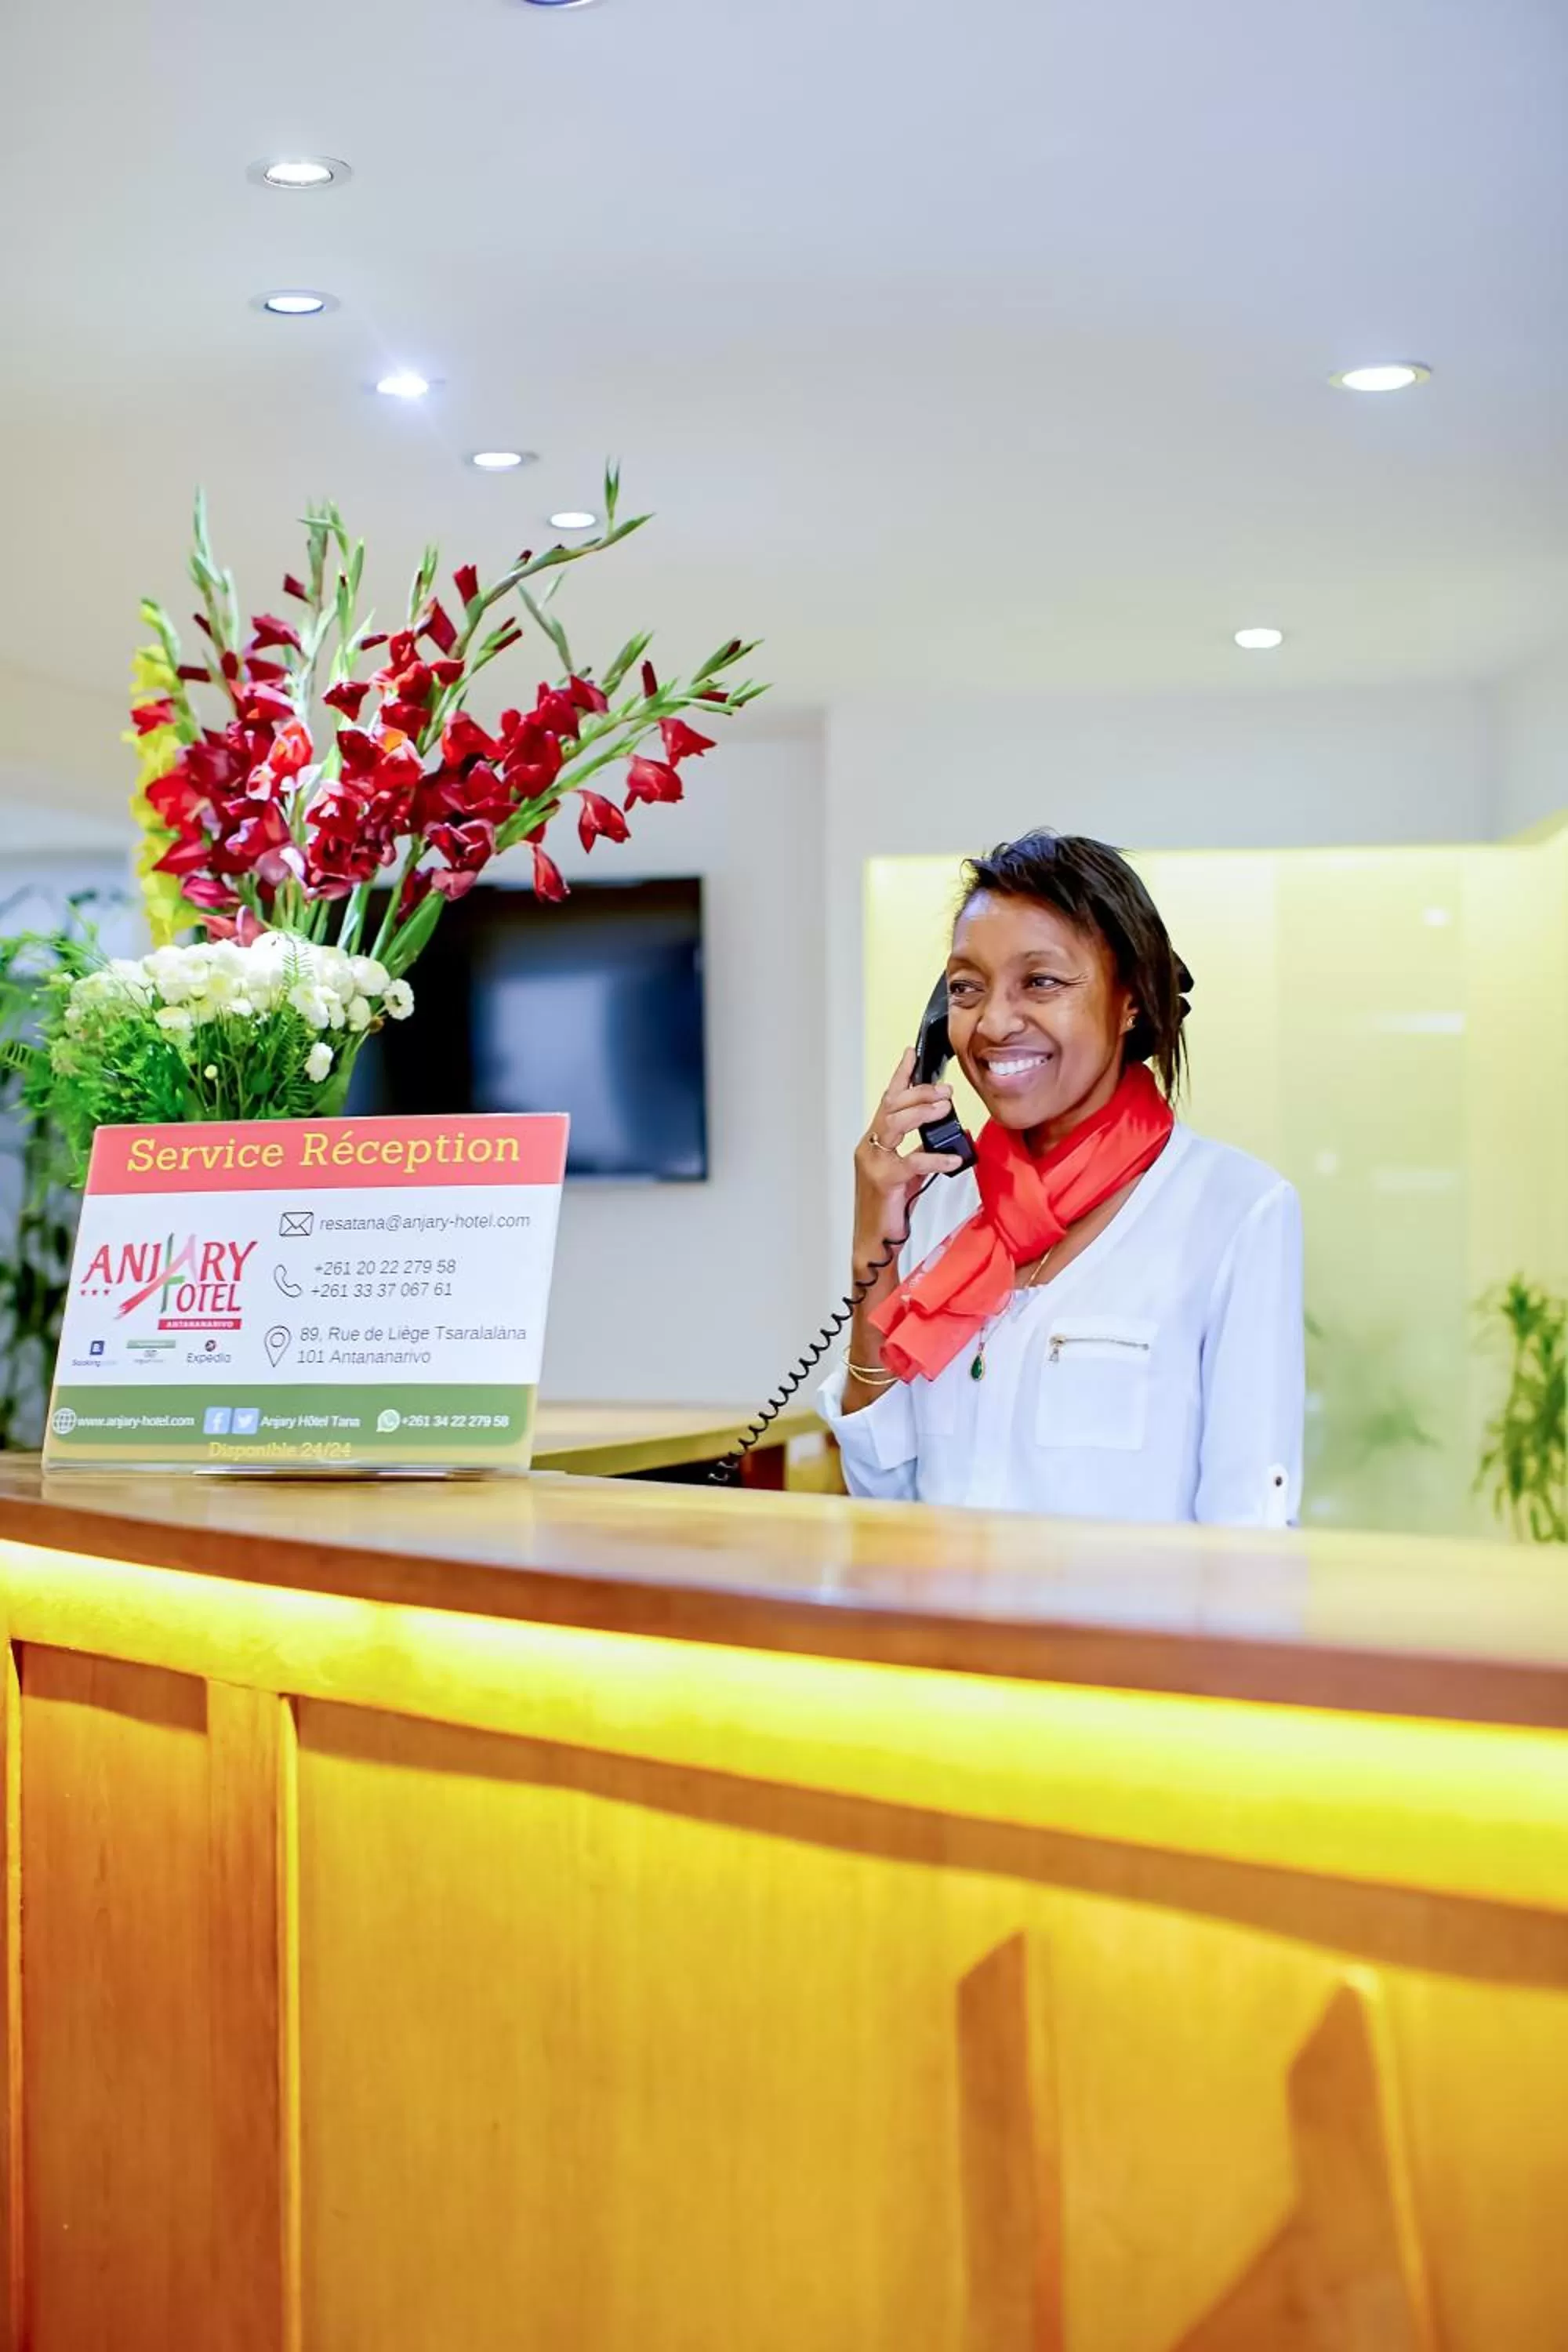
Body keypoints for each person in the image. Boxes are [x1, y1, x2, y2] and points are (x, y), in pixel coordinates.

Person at [819, 831, 1304, 1523]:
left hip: (1118, 1633)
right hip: (943, 1628)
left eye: (1041, 982)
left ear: (1130, 998)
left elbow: (1249, 1527)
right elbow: (884, 1498)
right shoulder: (940, 1201)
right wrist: (876, 1249)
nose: (992, 1022)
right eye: (966, 988)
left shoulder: (1236, 1209)